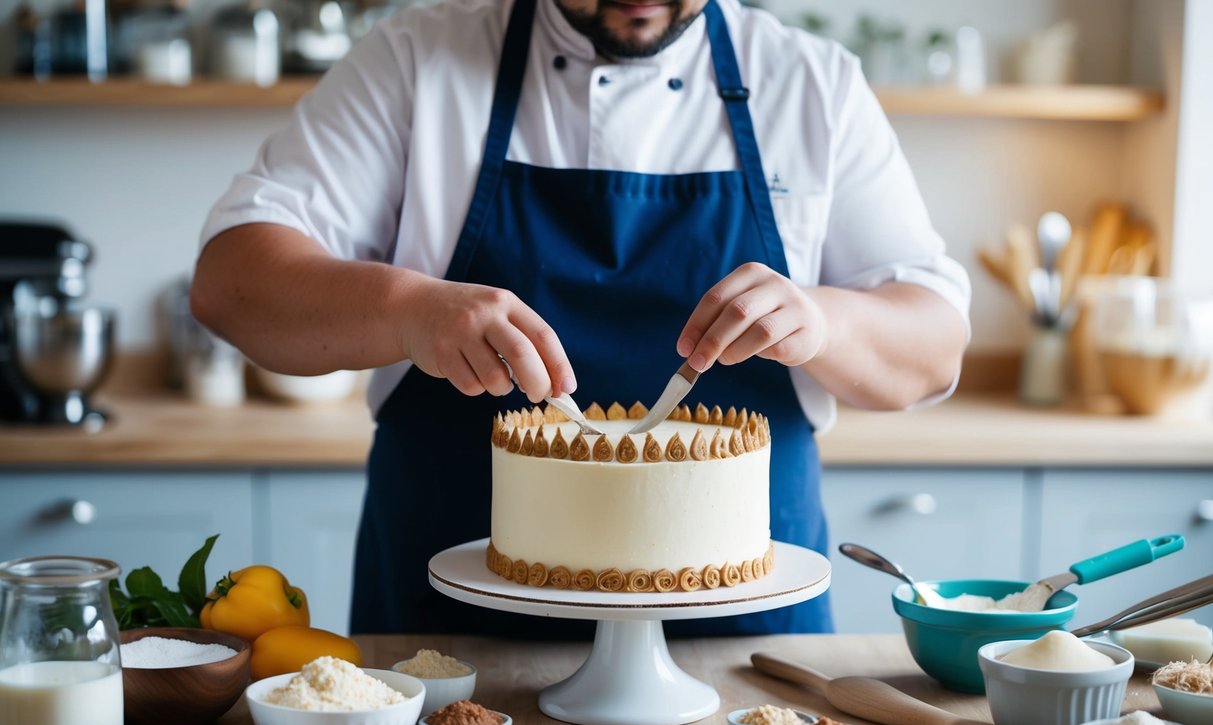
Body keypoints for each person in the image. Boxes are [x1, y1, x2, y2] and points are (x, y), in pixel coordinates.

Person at [192, 0, 970, 637]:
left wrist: (823, 322)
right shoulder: (417, 61)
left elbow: (934, 346)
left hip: (743, 653)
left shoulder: (809, 84)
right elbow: (231, 284)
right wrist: (408, 310)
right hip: (454, 647)